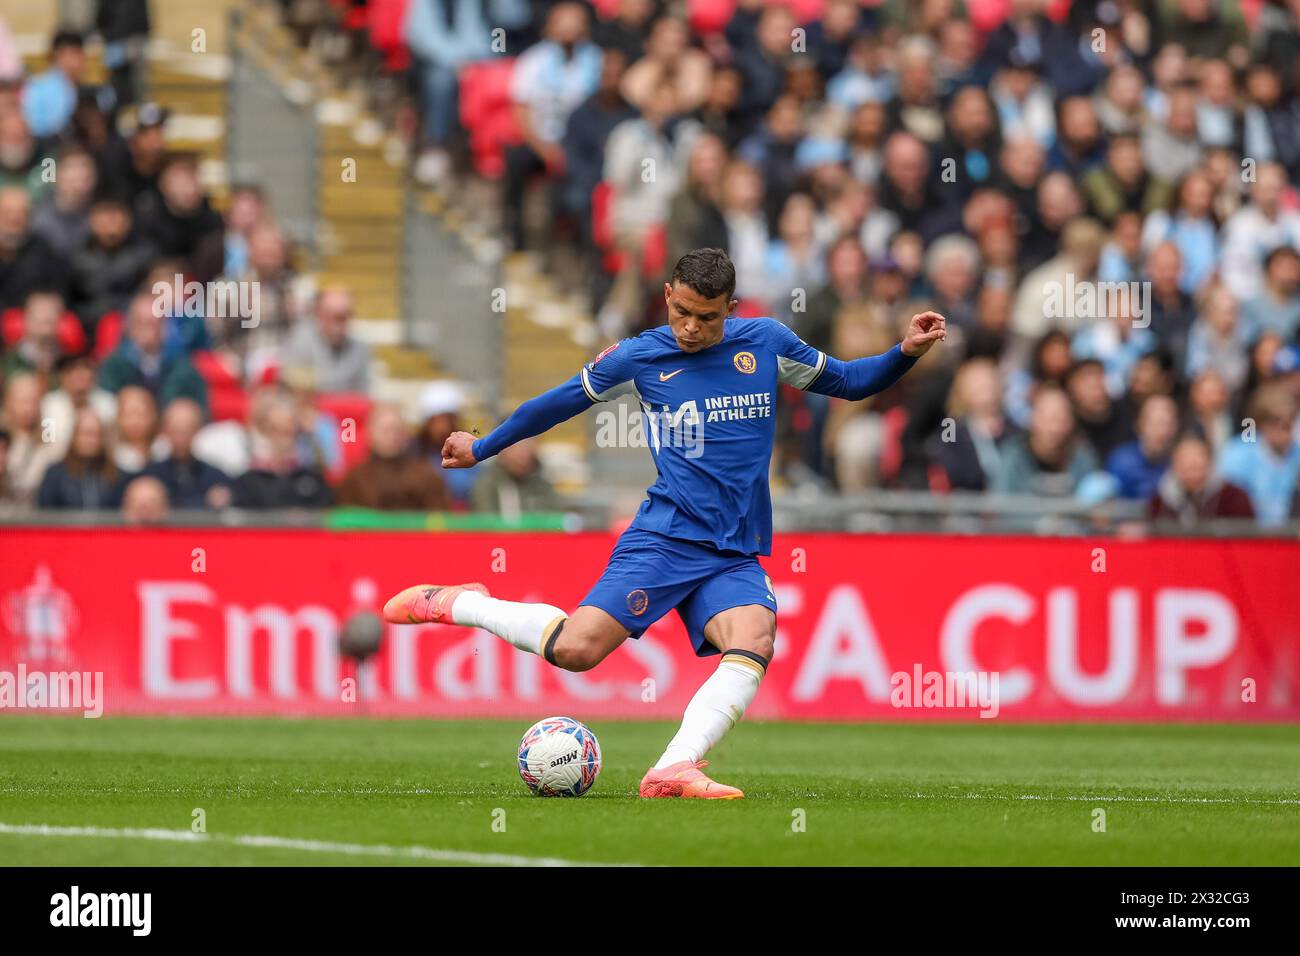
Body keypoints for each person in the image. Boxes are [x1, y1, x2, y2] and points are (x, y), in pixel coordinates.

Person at [384, 248, 944, 798]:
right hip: (666, 536)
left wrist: (905, 352)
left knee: (755, 639)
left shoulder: (767, 343)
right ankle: (461, 603)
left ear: (731, 307)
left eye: (709, 317)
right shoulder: (638, 356)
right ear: (668, 296)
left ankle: (673, 768)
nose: (693, 328)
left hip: (732, 548)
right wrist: (482, 446)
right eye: (683, 313)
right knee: (576, 651)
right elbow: (555, 405)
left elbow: (849, 381)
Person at [335, 402, 447, 511]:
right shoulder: (355, 479)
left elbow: (440, 518)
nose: (391, 436)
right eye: (385, 430)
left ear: (406, 434)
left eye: (396, 430)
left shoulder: (426, 475)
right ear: (370, 433)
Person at [145, 397, 231, 509]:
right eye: (175, 431)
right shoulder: (149, 476)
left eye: (186, 431)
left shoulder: (215, 477)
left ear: (197, 431)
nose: (181, 438)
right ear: (164, 431)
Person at [1149, 433, 1254, 525]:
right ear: (1173, 464)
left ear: (1210, 461)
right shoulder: (1159, 503)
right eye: (1185, 457)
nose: (1192, 463)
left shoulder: (1235, 498)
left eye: (1198, 456)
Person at [36, 407, 128, 509]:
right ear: (74, 436)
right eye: (87, 434)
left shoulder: (116, 476)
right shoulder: (55, 475)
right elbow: (44, 514)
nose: (92, 440)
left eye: (97, 435)